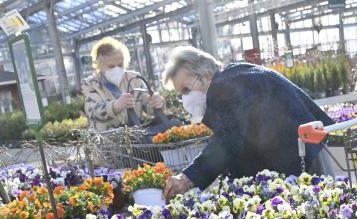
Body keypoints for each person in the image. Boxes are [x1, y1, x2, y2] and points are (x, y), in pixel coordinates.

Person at [160, 46, 334, 202]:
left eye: (186, 89)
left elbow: (228, 141)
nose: (185, 98)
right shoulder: (235, 75)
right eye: (180, 94)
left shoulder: (223, 87)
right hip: (305, 151)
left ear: (205, 75)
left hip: (303, 158)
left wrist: (188, 178)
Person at [81, 37, 165, 131]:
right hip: (106, 141)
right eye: (111, 66)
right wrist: (116, 106)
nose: (117, 69)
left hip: (137, 139)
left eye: (120, 65)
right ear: (99, 65)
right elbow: (93, 112)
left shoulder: (134, 78)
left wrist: (157, 102)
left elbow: (148, 104)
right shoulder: (90, 84)